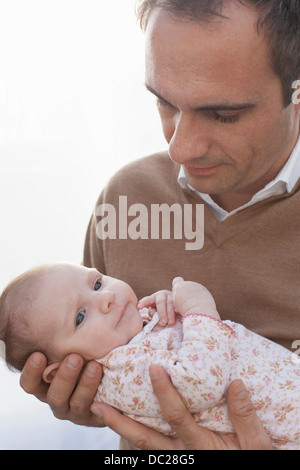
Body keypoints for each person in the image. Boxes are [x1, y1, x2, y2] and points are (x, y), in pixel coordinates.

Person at [19, 0, 300, 450]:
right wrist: (90, 399)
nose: (180, 149)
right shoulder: (125, 201)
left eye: (223, 115)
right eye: (163, 102)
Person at [1, 262, 299, 449]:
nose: (106, 299)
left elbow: (170, 340)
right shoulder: (119, 376)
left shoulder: (129, 338)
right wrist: (197, 309)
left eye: (97, 283)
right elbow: (200, 385)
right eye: (80, 317)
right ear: (58, 372)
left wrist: (166, 307)